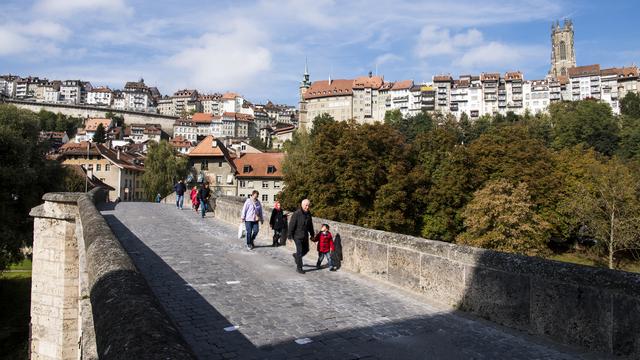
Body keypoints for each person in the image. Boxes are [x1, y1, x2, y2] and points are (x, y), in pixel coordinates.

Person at [288, 199, 314, 274]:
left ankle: (296, 256)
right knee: (299, 251)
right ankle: (299, 267)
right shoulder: (297, 213)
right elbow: (292, 224)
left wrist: (312, 235)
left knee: (306, 249)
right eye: (306, 205)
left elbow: (310, 225)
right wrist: (289, 235)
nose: (307, 207)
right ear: (302, 205)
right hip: (297, 235)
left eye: (308, 205)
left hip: (305, 235)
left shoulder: (309, 214)